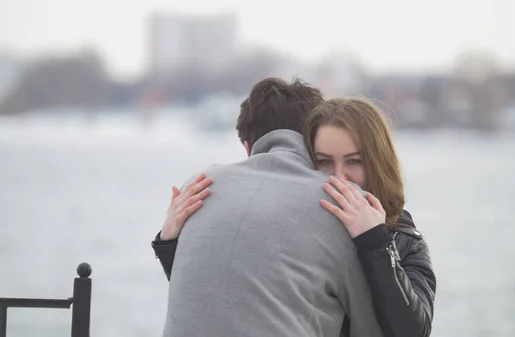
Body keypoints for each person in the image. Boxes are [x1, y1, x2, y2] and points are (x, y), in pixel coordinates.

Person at [154, 78, 385, 337]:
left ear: (247, 147)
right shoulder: (342, 205)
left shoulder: (196, 188)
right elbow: (375, 327)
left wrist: (166, 242)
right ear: (313, 142)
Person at [303, 97, 436, 337]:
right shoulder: (293, 225)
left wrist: (376, 242)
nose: (339, 176)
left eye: (354, 161)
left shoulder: (406, 240)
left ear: (377, 163)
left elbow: (414, 331)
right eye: (324, 162)